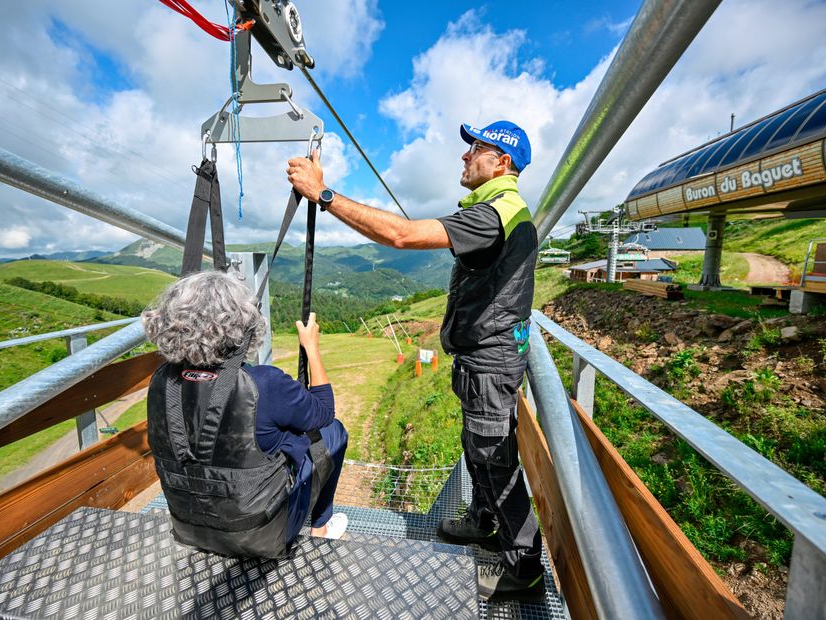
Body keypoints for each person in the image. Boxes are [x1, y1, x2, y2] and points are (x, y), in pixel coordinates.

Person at [286, 120, 544, 601]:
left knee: (494, 457)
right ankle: (485, 522)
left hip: (490, 362)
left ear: (501, 162)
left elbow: (402, 235)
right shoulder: (503, 211)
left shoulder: (493, 214)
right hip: (487, 358)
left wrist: (324, 195)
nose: (464, 158)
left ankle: (525, 564)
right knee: (479, 448)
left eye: (476, 150)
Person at [142, 271, 348, 558]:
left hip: (190, 526)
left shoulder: (162, 380)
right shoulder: (264, 383)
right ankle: (321, 526)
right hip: (261, 534)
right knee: (334, 431)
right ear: (243, 325)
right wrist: (311, 349)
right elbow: (324, 413)